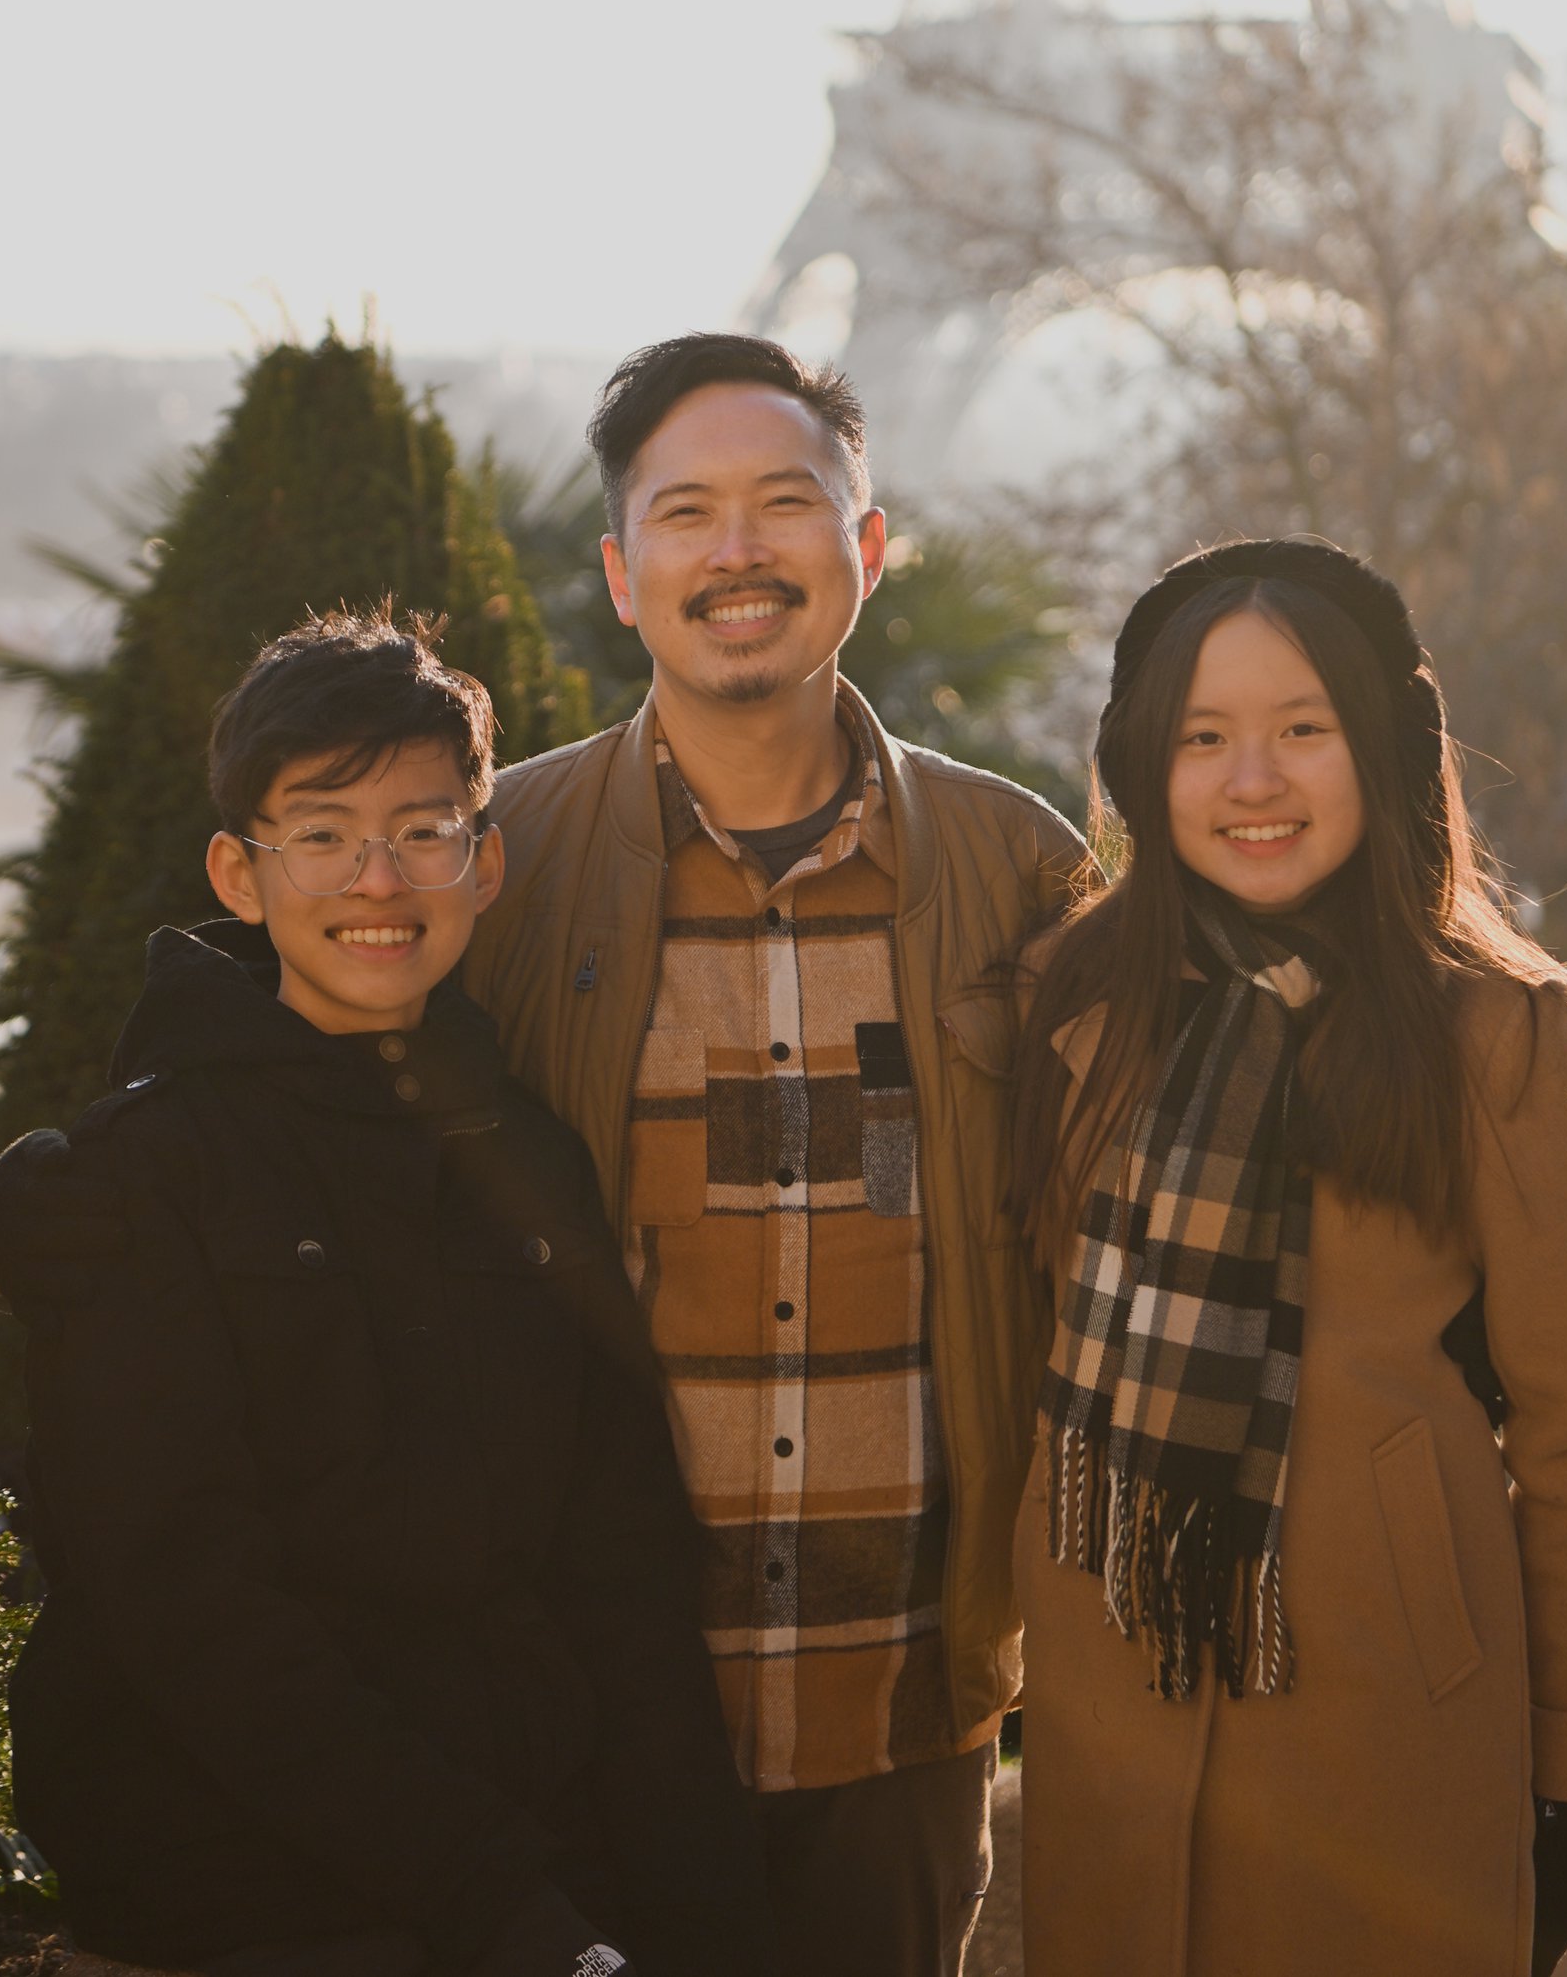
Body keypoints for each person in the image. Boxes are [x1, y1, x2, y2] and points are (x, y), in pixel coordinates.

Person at [0, 609, 776, 1977]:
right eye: (323, 833)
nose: (378, 879)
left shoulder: (529, 1158)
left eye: (422, 829)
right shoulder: (139, 1176)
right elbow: (186, 1606)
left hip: (542, 1872)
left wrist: (700, 1920)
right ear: (240, 873)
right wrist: (507, 1909)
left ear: (485, 860)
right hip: (240, 1894)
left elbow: (621, 1568)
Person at [462, 333, 1086, 1977]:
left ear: (868, 546)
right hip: (589, 1719)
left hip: (907, 1712)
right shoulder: (502, 872)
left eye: (786, 502)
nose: (737, 550)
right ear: (622, 574)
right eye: (686, 512)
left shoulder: (1018, 868)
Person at [1006, 536, 1567, 1977]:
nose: (1254, 780)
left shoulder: (1498, 1034)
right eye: (1203, 737)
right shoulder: (1069, 996)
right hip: (1111, 1691)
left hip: (1391, 1704)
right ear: (1142, 765)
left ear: (1385, 750)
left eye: (1304, 729)